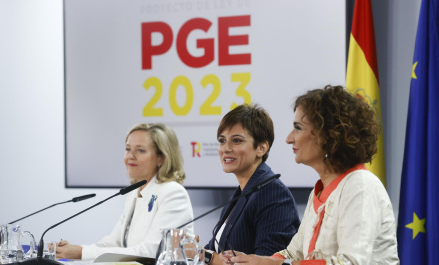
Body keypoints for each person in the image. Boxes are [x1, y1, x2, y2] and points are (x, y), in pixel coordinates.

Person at [223, 85, 399, 265]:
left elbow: (351, 262)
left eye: (298, 128)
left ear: (327, 134)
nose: (289, 138)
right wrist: (256, 260)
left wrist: (274, 264)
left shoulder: (360, 186)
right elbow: (293, 254)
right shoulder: (320, 191)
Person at [56, 123, 194, 260]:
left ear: (161, 158)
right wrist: (75, 250)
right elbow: (114, 243)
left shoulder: (173, 193)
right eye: (128, 149)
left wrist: (82, 252)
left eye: (140, 150)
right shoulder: (135, 193)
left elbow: (151, 253)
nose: (131, 156)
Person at [203, 104, 300, 265]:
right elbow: (214, 249)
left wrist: (205, 257)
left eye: (236, 141)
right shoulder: (242, 192)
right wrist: (192, 250)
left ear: (261, 148)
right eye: (222, 140)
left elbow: (267, 260)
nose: (226, 148)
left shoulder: (273, 194)